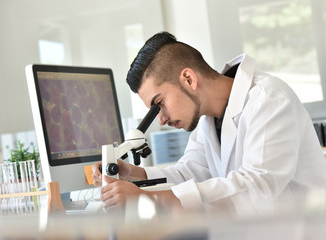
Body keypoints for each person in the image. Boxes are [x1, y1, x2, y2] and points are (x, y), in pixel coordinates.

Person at [92, 31, 326, 215]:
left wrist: (151, 199)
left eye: (160, 103)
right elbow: (190, 172)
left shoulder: (269, 100)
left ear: (188, 78)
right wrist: (134, 174)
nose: (161, 118)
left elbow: (258, 186)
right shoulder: (209, 120)